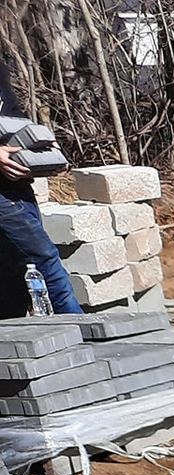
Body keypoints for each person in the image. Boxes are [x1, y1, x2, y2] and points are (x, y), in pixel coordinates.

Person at [0, 65, 81, 318]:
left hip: (16, 185)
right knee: (43, 261)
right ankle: (83, 338)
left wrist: (42, 145)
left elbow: (12, 117)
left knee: (12, 278)